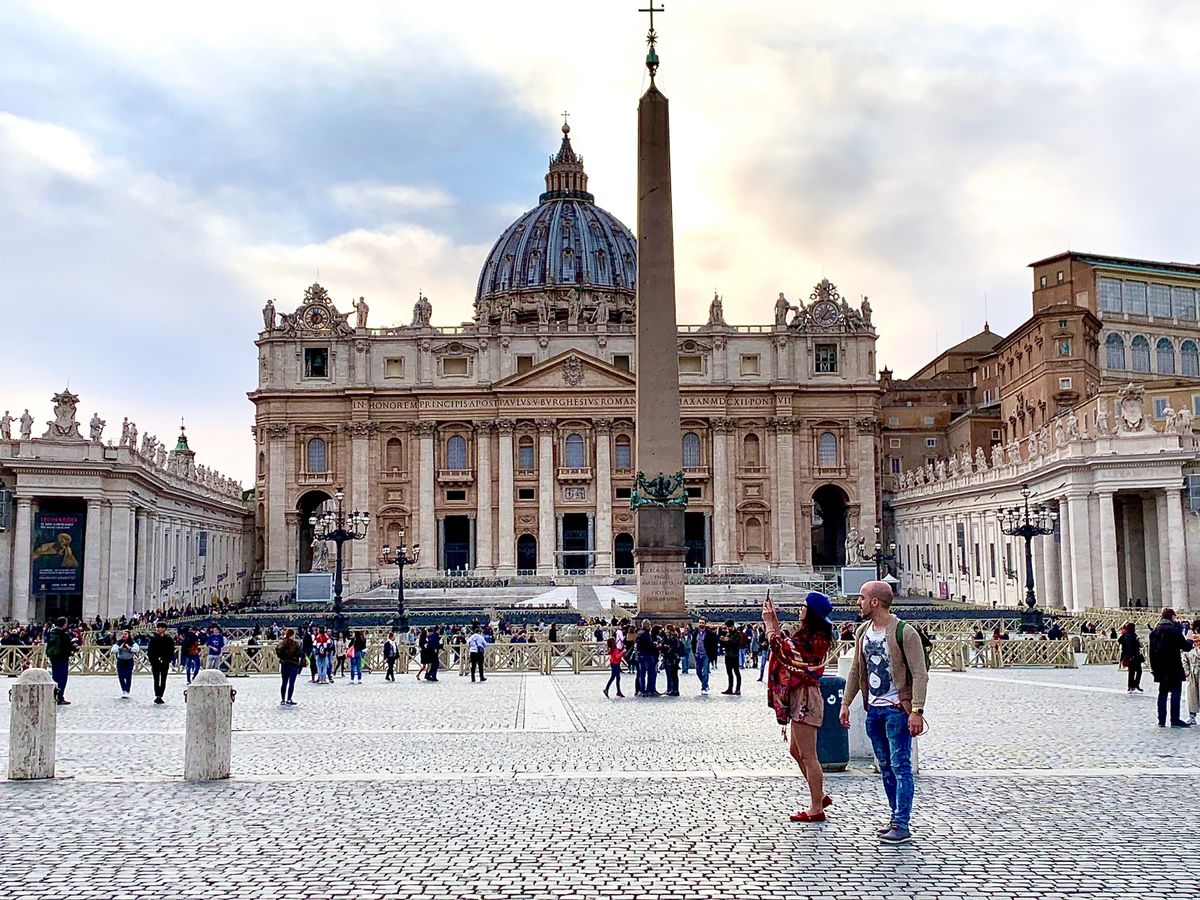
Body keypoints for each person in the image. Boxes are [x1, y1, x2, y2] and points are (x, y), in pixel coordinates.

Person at [839, 581, 929, 845]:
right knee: (886, 768)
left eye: (862, 597)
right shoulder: (862, 632)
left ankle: (902, 824)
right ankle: (894, 818)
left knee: (901, 767)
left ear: (875, 602)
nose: (858, 602)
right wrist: (846, 703)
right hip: (874, 711)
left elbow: (920, 674)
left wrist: (917, 710)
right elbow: (857, 670)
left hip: (897, 710)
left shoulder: (905, 632)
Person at [763, 591, 835, 824]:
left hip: (806, 698)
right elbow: (785, 647)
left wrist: (769, 624)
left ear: (811, 612)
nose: (800, 609)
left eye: (803, 606)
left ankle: (816, 808)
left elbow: (782, 649)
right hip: (800, 695)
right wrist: (774, 620)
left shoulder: (815, 641)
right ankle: (819, 796)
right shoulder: (809, 637)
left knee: (808, 755)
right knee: (796, 751)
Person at [1149, 608, 1192, 727]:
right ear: (1172, 616)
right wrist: (1190, 639)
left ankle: (1161, 720)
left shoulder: (1154, 632)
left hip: (1160, 668)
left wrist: (1154, 668)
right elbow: (1186, 647)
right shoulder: (1174, 631)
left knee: (1162, 694)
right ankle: (1175, 719)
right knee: (1175, 694)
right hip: (1173, 667)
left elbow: (1151, 652)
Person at [43, 617, 75, 705]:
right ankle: (60, 697)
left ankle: (52, 696)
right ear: (64, 624)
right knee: (62, 679)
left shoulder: (51, 633)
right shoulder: (64, 635)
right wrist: (74, 648)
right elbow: (68, 647)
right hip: (62, 658)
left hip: (53, 658)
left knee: (55, 677)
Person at [146, 621, 175, 705]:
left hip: (165, 662)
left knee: (163, 679)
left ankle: (161, 695)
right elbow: (150, 651)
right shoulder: (153, 639)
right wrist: (153, 660)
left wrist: (166, 660)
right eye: (157, 627)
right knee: (156, 679)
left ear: (164, 629)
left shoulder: (169, 640)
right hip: (155, 662)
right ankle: (157, 695)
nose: (158, 629)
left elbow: (171, 651)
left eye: (160, 627)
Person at [275, 628, 303, 705]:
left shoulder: (282, 643)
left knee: (284, 682)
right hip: (293, 664)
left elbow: (278, 653)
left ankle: (282, 700)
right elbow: (299, 654)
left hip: (284, 664)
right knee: (291, 683)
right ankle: (289, 699)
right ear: (292, 635)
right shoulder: (295, 644)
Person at [1118, 621, 1144, 694]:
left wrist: (1124, 647)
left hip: (1128, 655)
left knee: (1131, 672)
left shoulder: (1125, 635)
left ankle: (1130, 687)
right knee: (1139, 671)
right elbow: (1139, 645)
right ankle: (1135, 685)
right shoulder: (1134, 635)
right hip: (1135, 656)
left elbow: (1119, 641)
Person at [635, 621, 659, 697]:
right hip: (647, 655)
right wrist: (655, 645)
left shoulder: (639, 633)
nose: (650, 627)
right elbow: (649, 645)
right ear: (646, 626)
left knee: (641, 674)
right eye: (649, 625)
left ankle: (642, 690)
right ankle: (650, 690)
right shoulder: (646, 634)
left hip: (640, 655)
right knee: (651, 673)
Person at [694, 619, 717, 695]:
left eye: (702, 623)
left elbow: (713, 645)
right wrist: (694, 652)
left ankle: (703, 688)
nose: (701, 624)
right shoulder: (695, 632)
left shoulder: (709, 633)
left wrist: (711, 655)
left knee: (705, 671)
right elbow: (693, 643)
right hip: (697, 654)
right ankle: (706, 684)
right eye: (700, 623)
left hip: (705, 655)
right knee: (698, 671)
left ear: (705, 624)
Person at [113, 629, 137, 699]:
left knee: (128, 676)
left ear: (128, 635)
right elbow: (113, 650)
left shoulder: (132, 642)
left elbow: (137, 649)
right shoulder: (119, 642)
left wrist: (129, 648)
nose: (124, 635)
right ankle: (124, 690)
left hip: (129, 660)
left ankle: (127, 691)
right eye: (123, 634)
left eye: (126, 634)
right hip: (120, 660)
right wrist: (120, 648)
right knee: (121, 676)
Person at [720, 620, 742, 695]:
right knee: (729, 673)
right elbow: (725, 645)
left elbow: (737, 643)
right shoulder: (728, 634)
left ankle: (738, 689)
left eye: (728, 627)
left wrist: (729, 640)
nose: (728, 629)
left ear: (732, 626)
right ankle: (730, 688)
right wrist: (723, 640)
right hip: (728, 655)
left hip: (734, 655)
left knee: (737, 672)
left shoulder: (737, 634)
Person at [662, 625, 682, 697]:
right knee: (669, 674)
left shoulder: (674, 638)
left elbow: (673, 648)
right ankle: (669, 689)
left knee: (673, 674)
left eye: (666, 630)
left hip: (673, 658)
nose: (665, 631)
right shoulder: (667, 638)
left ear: (669, 630)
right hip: (667, 658)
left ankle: (675, 690)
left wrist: (667, 647)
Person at [1185, 632, 1200, 726]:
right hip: (1192, 674)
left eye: (1198, 641)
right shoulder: (1188, 650)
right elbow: (1185, 661)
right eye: (1195, 641)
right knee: (1192, 696)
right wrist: (1187, 672)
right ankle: (1192, 716)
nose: (1196, 643)